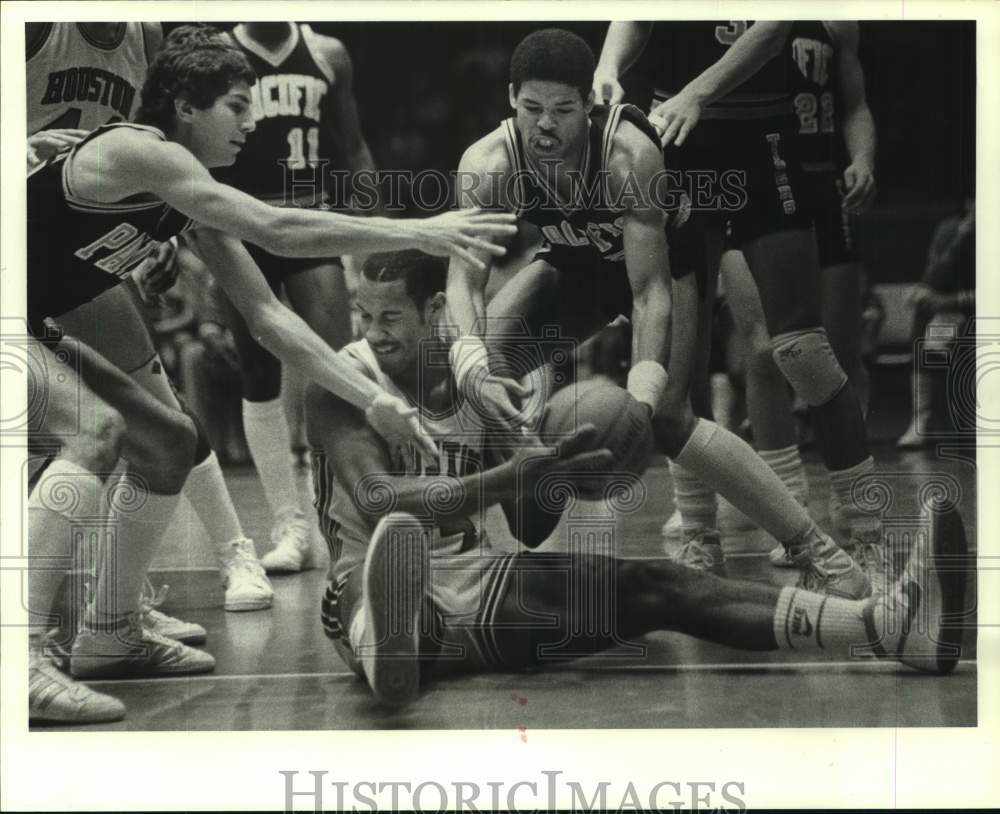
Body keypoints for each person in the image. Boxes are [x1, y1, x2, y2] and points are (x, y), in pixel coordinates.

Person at [25, 24, 515, 725]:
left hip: (29, 313)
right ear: (185, 107)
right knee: (94, 434)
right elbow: (276, 228)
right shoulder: (139, 151)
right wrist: (420, 230)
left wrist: (374, 399)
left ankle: (109, 634)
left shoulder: (185, 194)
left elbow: (269, 319)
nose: (252, 123)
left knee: (168, 439)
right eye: (236, 105)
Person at [309, 249, 968, 710]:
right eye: (364, 316)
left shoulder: (483, 385)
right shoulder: (344, 379)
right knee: (390, 586)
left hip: (477, 589)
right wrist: (508, 476)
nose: (372, 331)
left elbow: (527, 529)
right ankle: (389, 647)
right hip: (370, 581)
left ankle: (885, 626)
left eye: (387, 317)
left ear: (433, 314)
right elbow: (378, 496)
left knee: (653, 584)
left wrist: (551, 479)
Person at [447, 28, 866, 595]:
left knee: (669, 418)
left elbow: (648, 291)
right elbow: (463, 284)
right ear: (511, 98)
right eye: (532, 108)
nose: (545, 124)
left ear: (589, 104)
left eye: (563, 110)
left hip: (666, 266)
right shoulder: (486, 163)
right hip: (577, 262)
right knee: (465, 375)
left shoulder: (628, 154)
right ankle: (471, 541)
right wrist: (474, 370)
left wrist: (641, 393)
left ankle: (816, 548)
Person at [592, 21, 886, 585]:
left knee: (805, 351)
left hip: (763, 135)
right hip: (677, 140)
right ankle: (698, 531)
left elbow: (773, 30)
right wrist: (609, 67)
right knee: (679, 373)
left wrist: (697, 92)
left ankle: (862, 532)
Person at [26, 20, 261, 640]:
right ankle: (46, 627)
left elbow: (161, 139)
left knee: (162, 424)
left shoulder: (146, 35)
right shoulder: (36, 28)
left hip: (83, 240)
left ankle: (127, 597)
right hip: (29, 221)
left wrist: (153, 230)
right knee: (75, 435)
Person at [212, 22, 377, 573]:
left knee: (340, 364)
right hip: (238, 224)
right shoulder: (218, 53)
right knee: (258, 376)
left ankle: (345, 511)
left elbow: (352, 148)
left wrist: (370, 239)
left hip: (308, 218)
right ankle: (290, 522)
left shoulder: (329, 52)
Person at [897, 198, 975, 448]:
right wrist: (958, 239)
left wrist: (948, 300)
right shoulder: (953, 229)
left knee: (956, 329)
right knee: (926, 320)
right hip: (960, 312)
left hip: (982, 312)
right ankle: (922, 418)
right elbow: (933, 278)